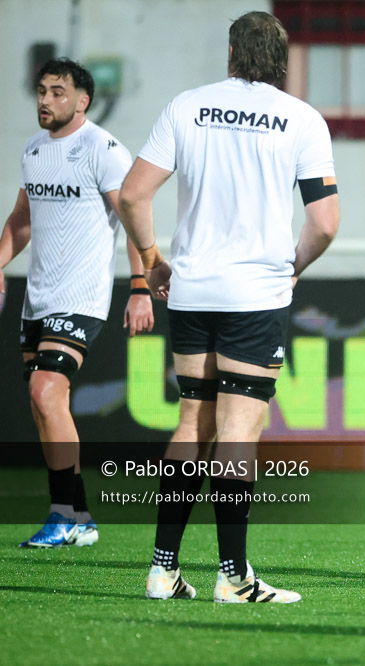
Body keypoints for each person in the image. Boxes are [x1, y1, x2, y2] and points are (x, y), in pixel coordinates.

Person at [118, 11, 340, 603]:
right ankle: (234, 576)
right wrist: (293, 266)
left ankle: (163, 570)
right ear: (282, 61)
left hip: (191, 290)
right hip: (255, 295)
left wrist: (151, 260)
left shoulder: (187, 106)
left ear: (232, 54)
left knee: (193, 421)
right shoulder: (303, 120)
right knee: (240, 428)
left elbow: (133, 195)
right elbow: (324, 223)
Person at [0, 58, 153, 549]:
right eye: (42, 91)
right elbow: (22, 220)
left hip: (82, 296)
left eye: (57, 92)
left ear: (83, 101)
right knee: (44, 404)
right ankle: (78, 516)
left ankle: (64, 515)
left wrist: (139, 286)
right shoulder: (34, 149)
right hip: (37, 298)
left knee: (46, 390)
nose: (45, 100)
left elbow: (132, 217)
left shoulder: (102, 150)